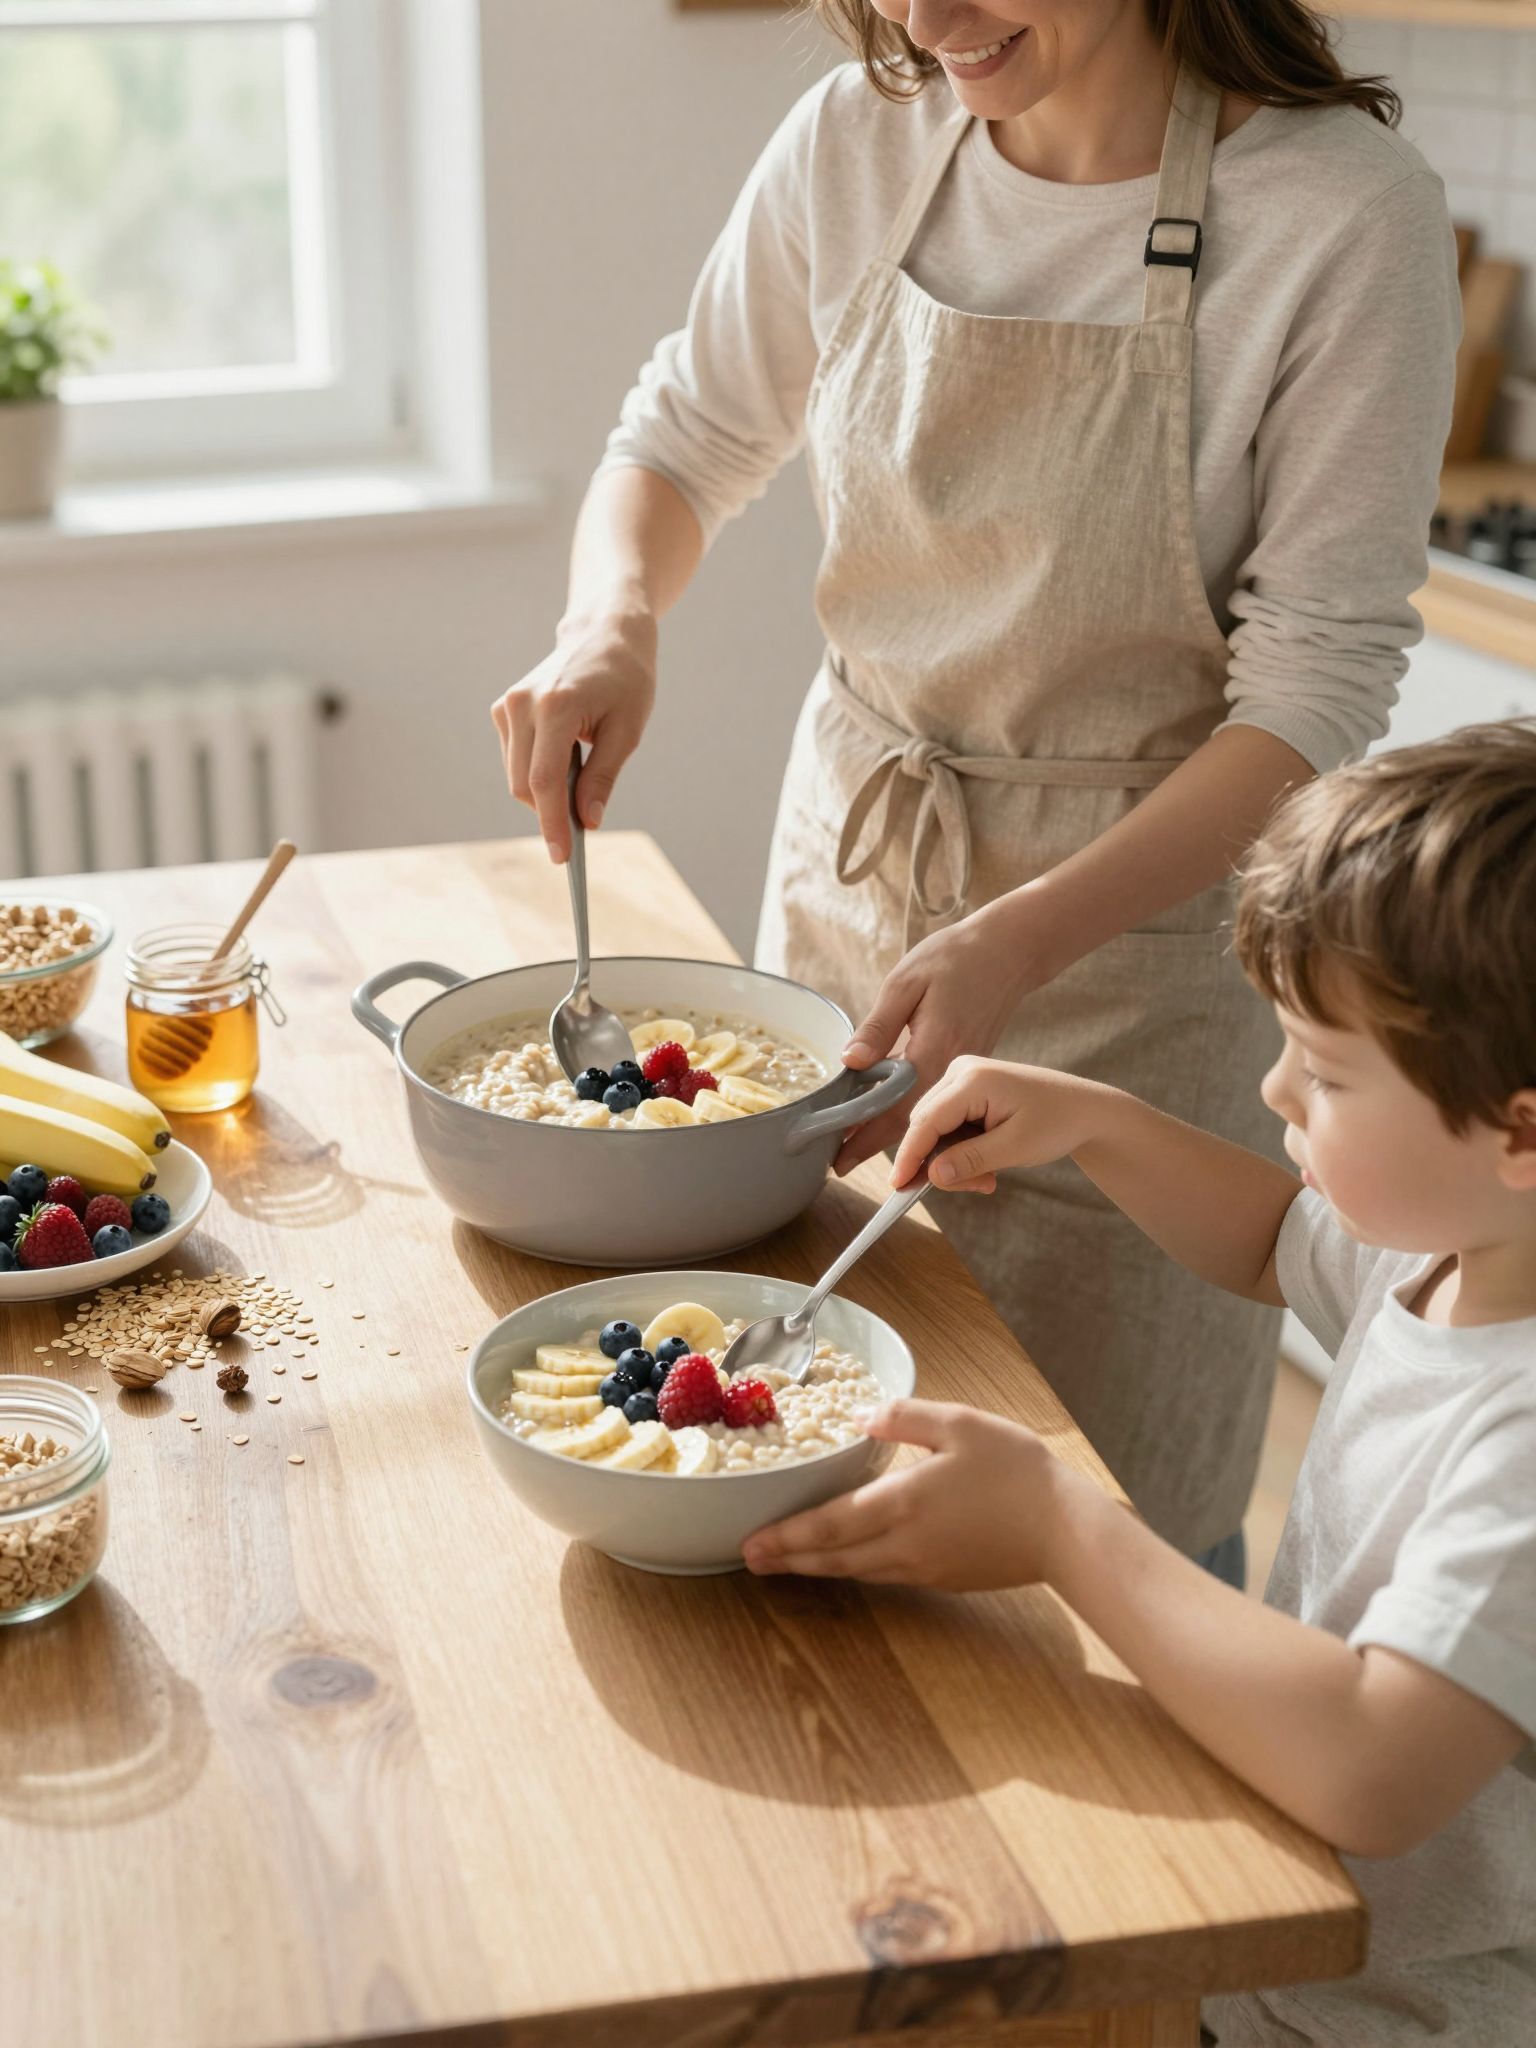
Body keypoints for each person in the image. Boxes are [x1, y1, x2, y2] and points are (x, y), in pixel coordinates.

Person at [491, 0, 1459, 1576]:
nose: (925, 20)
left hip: (1132, 976)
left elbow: (1311, 697)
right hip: (850, 894)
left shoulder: (1344, 215)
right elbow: (684, 434)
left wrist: (1021, 937)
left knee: (1108, 1536)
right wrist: (612, 622)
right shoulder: (856, 141)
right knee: (782, 1451)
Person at [743, 724, 1536, 2048]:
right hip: (1266, 1929)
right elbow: (1275, 1240)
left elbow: (1372, 1766)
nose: (1274, 1087)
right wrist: (1096, 1120)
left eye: (1325, 1071)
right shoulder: (1454, 1252)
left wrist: (1061, 1524)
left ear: (1523, 1131)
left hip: (1376, 2017)